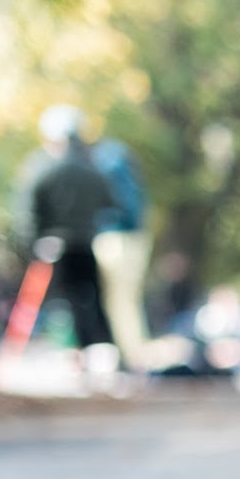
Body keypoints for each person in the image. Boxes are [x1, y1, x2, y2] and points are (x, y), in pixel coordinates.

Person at [16, 105, 116, 363]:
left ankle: (69, 356)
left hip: (53, 245)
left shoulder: (41, 167)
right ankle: (90, 354)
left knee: (60, 304)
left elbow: (28, 208)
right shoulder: (92, 169)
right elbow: (110, 201)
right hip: (84, 242)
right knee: (88, 300)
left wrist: (31, 242)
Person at [90, 135, 153, 369]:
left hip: (118, 238)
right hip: (130, 237)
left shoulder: (109, 163)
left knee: (119, 301)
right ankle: (132, 353)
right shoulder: (122, 166)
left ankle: (131, 356)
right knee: (125, 301)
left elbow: (124, 209)